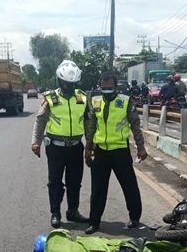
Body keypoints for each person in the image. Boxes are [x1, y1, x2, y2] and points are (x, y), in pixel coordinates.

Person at [84, 72, 148, 234]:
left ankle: (135, 218)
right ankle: (94, 222)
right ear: (100, 87)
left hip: (120, 151)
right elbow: (91, 126)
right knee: (98, 189)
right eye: (104, 88)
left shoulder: (125, 101)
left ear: (115, 87)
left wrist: (141, 147)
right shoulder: (95, 101)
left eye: (109, 88)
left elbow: (135, 125)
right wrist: (88, 148)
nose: (107, 90)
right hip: (101, 152)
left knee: (129, 186)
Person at [31, 60, 90, 228]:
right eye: (66, 84)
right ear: (59, 81)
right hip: (55, 147)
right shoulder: (51, 98)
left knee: (74, 181)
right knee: (55, 182)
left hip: (76, 146)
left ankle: (73, 211)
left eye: (73, 84)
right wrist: (35, 141)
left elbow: (88, 122)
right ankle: (55, 213)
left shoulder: (82, 97)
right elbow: (40, 121)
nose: (69, 87)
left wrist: (90, 145)